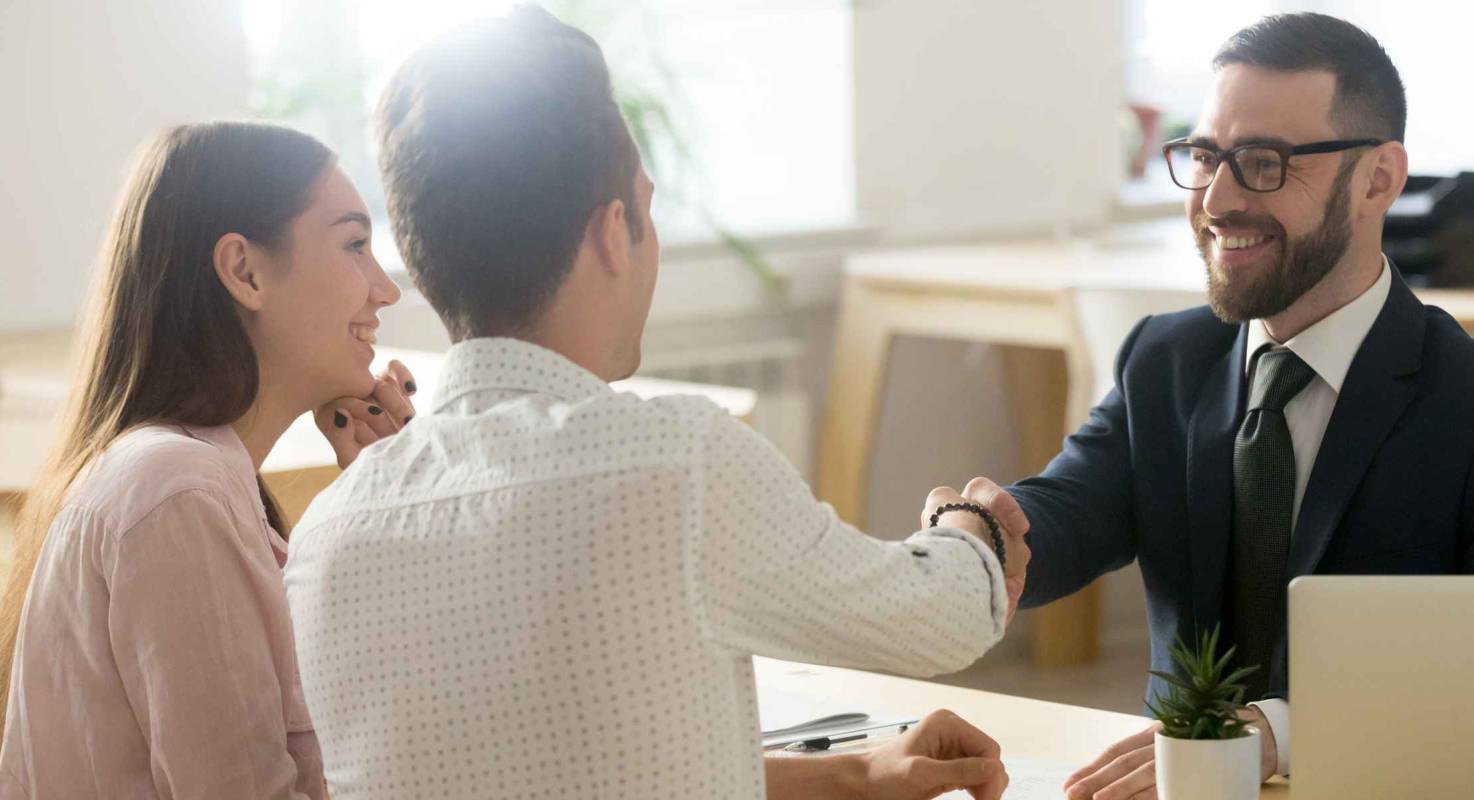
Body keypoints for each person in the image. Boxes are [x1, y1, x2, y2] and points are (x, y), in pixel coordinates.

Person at [282, 8, 1028, 800]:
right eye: (647, 206)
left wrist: (849, 772)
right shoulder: (679, 465)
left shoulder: (325, 538)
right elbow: (942, 618)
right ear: (613, 230)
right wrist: (968, 527)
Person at [958, 13, 1474, 798]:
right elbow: (1070, 509)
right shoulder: (1165, 358)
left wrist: (1278, 734)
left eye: (1264, 163)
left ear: (1378, 180)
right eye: (1204, 156)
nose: (1217, 199)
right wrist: (982, 536)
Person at [0, 121, 414, 798]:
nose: (384, 290)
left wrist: (377, 504)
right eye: (354, 246)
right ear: (245, 272)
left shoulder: (195, 484)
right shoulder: (176, 491)